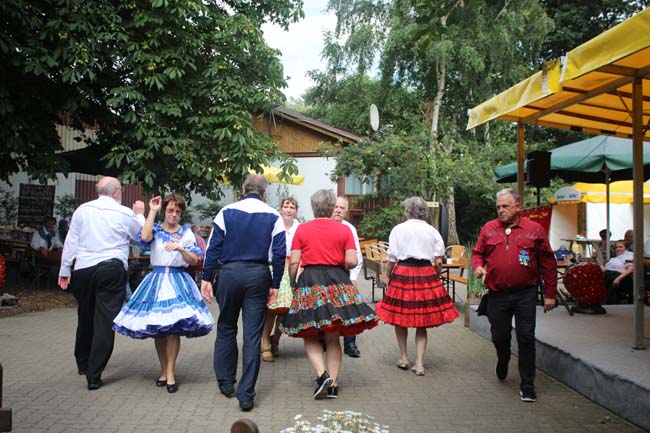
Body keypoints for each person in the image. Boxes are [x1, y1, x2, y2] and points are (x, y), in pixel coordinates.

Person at [279, 189, 378, 400]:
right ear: (332, 206)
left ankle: (321, 374)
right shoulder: (344, 230)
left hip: (310, 281)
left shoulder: (302, 229)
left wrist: (293, 282)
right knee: (333, 336)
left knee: (308, 332)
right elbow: (352, 261)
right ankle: (333, 384)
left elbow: (294, 262)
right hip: (337, 281)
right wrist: (340, 263)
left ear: (313, 207)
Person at [200, 174, 286, 412]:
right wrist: (275, 284)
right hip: (258, 275)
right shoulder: (274, 216)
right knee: (252, 335)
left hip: (229, 273)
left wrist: (206, 278)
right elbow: (280, 253)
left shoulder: (226, 211)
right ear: (264, 192)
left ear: (242, 189)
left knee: (226, 326)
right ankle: (246, 394)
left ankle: (226, 381)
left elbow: (213, 248)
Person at [112, 194, 213, 393]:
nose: (174, 214)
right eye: (170, 210)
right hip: (156, 281)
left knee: (173, 330)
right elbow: (144, 237)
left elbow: (194, 260)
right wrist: (152, 211)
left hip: (178, 281)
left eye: (177, 211)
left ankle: (171, 372)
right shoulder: (156, 230)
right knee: (158, 329)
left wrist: (180, 249)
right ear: (165, 211)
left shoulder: (186, 233)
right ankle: (164, 370)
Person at [58, 177, 145, 391]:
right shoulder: (124, 213)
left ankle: (83, 362)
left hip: (84, 268)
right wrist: (140, 214)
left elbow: (72, 240)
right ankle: (94, 374)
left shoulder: (82, 210)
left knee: (85, 314)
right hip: (111, 267)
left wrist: (65, 268)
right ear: (115, 192)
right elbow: (141, 236)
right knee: (105, 320)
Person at [471, 188, 557, 403]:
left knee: (526, 337)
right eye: (498, 207)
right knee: (500, 336)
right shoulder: (489, 228)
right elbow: (477, 253)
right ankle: (503, 357)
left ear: (518, 206)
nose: (501, 210)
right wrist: (478, 266)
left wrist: (550, 294)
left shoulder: (534, 230)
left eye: (505, 206)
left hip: (525, 293)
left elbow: (548, 263)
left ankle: (527, 385)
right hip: (498, 294)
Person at [375, 197, 459, 377]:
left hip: (403, 273)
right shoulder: (432, 231)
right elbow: (439, 261)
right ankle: (419, 363)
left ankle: (404, 358)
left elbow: (391, 259)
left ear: (407, 211)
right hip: (426, 274)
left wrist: (388, 276)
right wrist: (436, 274)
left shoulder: (398, 230)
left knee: (400, 317)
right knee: (423, 320)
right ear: (424, 212)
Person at [261, 197, 300, 362]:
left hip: (291, 269)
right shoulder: (273, 223)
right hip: (274, 267)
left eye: (292, 207)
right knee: (271, 308)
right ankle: (265, 342)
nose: (289, 210)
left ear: (296, 211)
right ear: (281, 208)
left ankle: (275, 340)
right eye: (286, 206)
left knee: (286, 311)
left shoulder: (299, 227)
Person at [332, 196, 364, 358]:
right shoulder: (323, 225)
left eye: (342, 208)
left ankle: (350, 343)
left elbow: (357, 255)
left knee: (350, 308)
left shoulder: (350, 228)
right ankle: (324, 341)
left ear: (345, 212)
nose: (338, 210)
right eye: (336, 207)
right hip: (326, 274)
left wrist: (354, 277)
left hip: (345, 273)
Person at [604, 240, 634, 304]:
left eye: (620, 247)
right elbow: (605, 270)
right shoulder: (614, 259)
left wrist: (618, 279)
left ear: (626, 248)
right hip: (609, 276)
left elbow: (630, 269)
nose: (618, 249)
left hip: (622, 278)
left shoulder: (628, 255)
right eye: (616, 247)